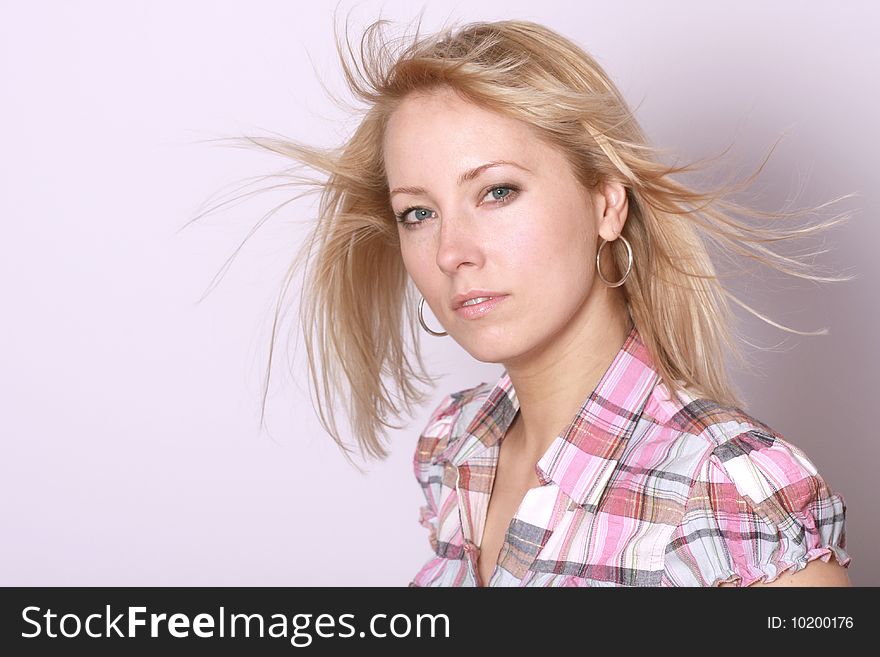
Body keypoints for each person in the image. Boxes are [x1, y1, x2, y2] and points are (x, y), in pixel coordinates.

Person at [203, 13, 854, 586]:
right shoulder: (455, 447)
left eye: (497, 192)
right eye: (418, 213)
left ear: (606, 202)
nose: (452, 250)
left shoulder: (729, 488)